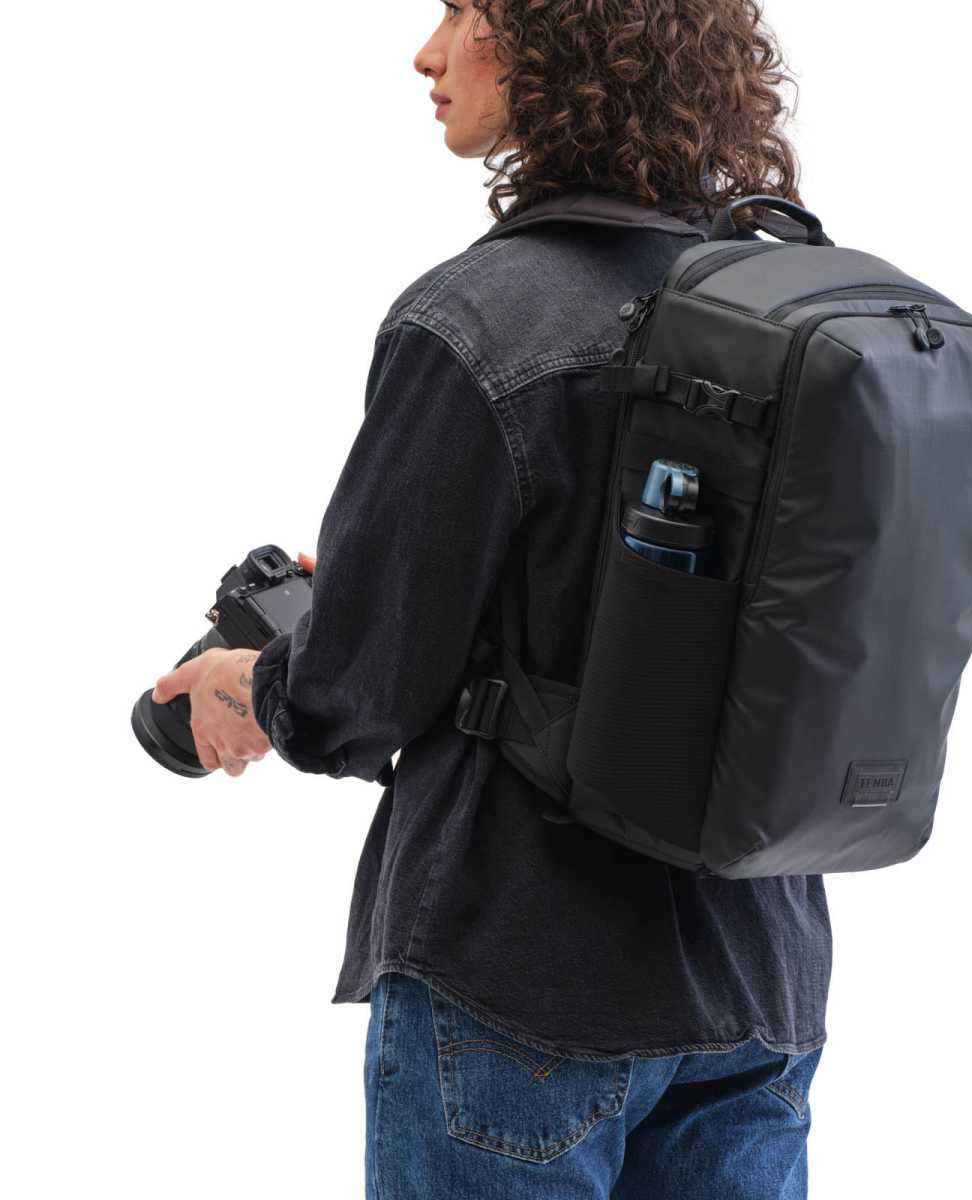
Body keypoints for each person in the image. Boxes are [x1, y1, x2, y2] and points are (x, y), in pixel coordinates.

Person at [151, 2, 832, 1196]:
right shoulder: (781, 307)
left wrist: (245, 681)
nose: (427, 51)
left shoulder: (473, 321)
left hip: (519, 988)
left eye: (463, 10)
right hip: (757, 983)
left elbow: (354, 694)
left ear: (561, 39)